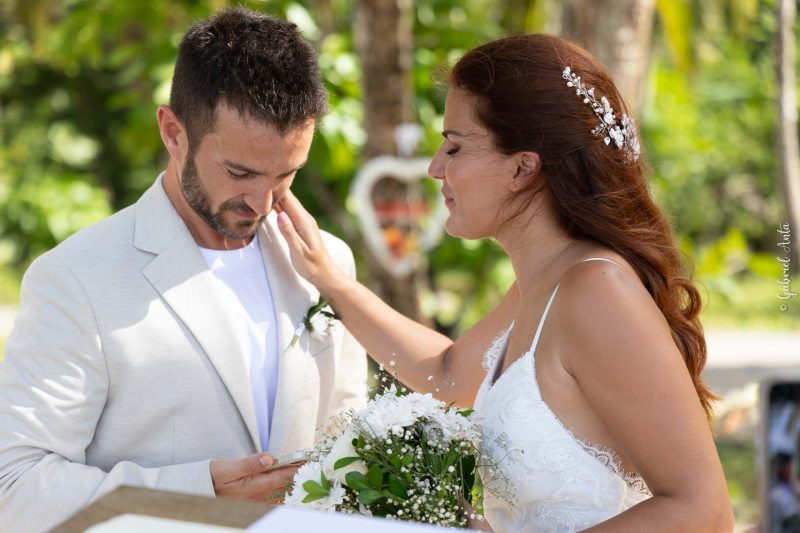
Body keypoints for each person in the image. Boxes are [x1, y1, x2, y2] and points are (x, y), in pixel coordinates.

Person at [275, 34, 733, 531]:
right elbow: (446, 374)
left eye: (454, 145)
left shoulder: (597, 292)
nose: (435, 167)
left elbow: (702, 511)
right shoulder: (542, 282)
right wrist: (332, 282)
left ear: (523, 167)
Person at [0, 8, 365, 532]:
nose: (263, 202)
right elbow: (14, 486)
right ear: (173, 132)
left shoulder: (328, 262)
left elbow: (345, 445)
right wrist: (198, 494)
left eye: (287, 174)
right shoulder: (75, 278)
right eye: (239, 172)